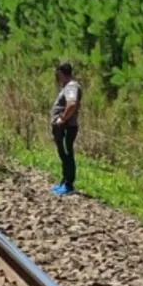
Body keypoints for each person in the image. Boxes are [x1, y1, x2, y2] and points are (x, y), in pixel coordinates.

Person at [51, 62, 82, 196]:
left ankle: (69, 184)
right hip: (63, 126)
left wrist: (62, 119)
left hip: (66, 127)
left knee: (67, 154)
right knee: (63, 154)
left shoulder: (71, 87)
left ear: (61, 74)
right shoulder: (67, 87)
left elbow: (72, 103)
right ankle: (64, 181)